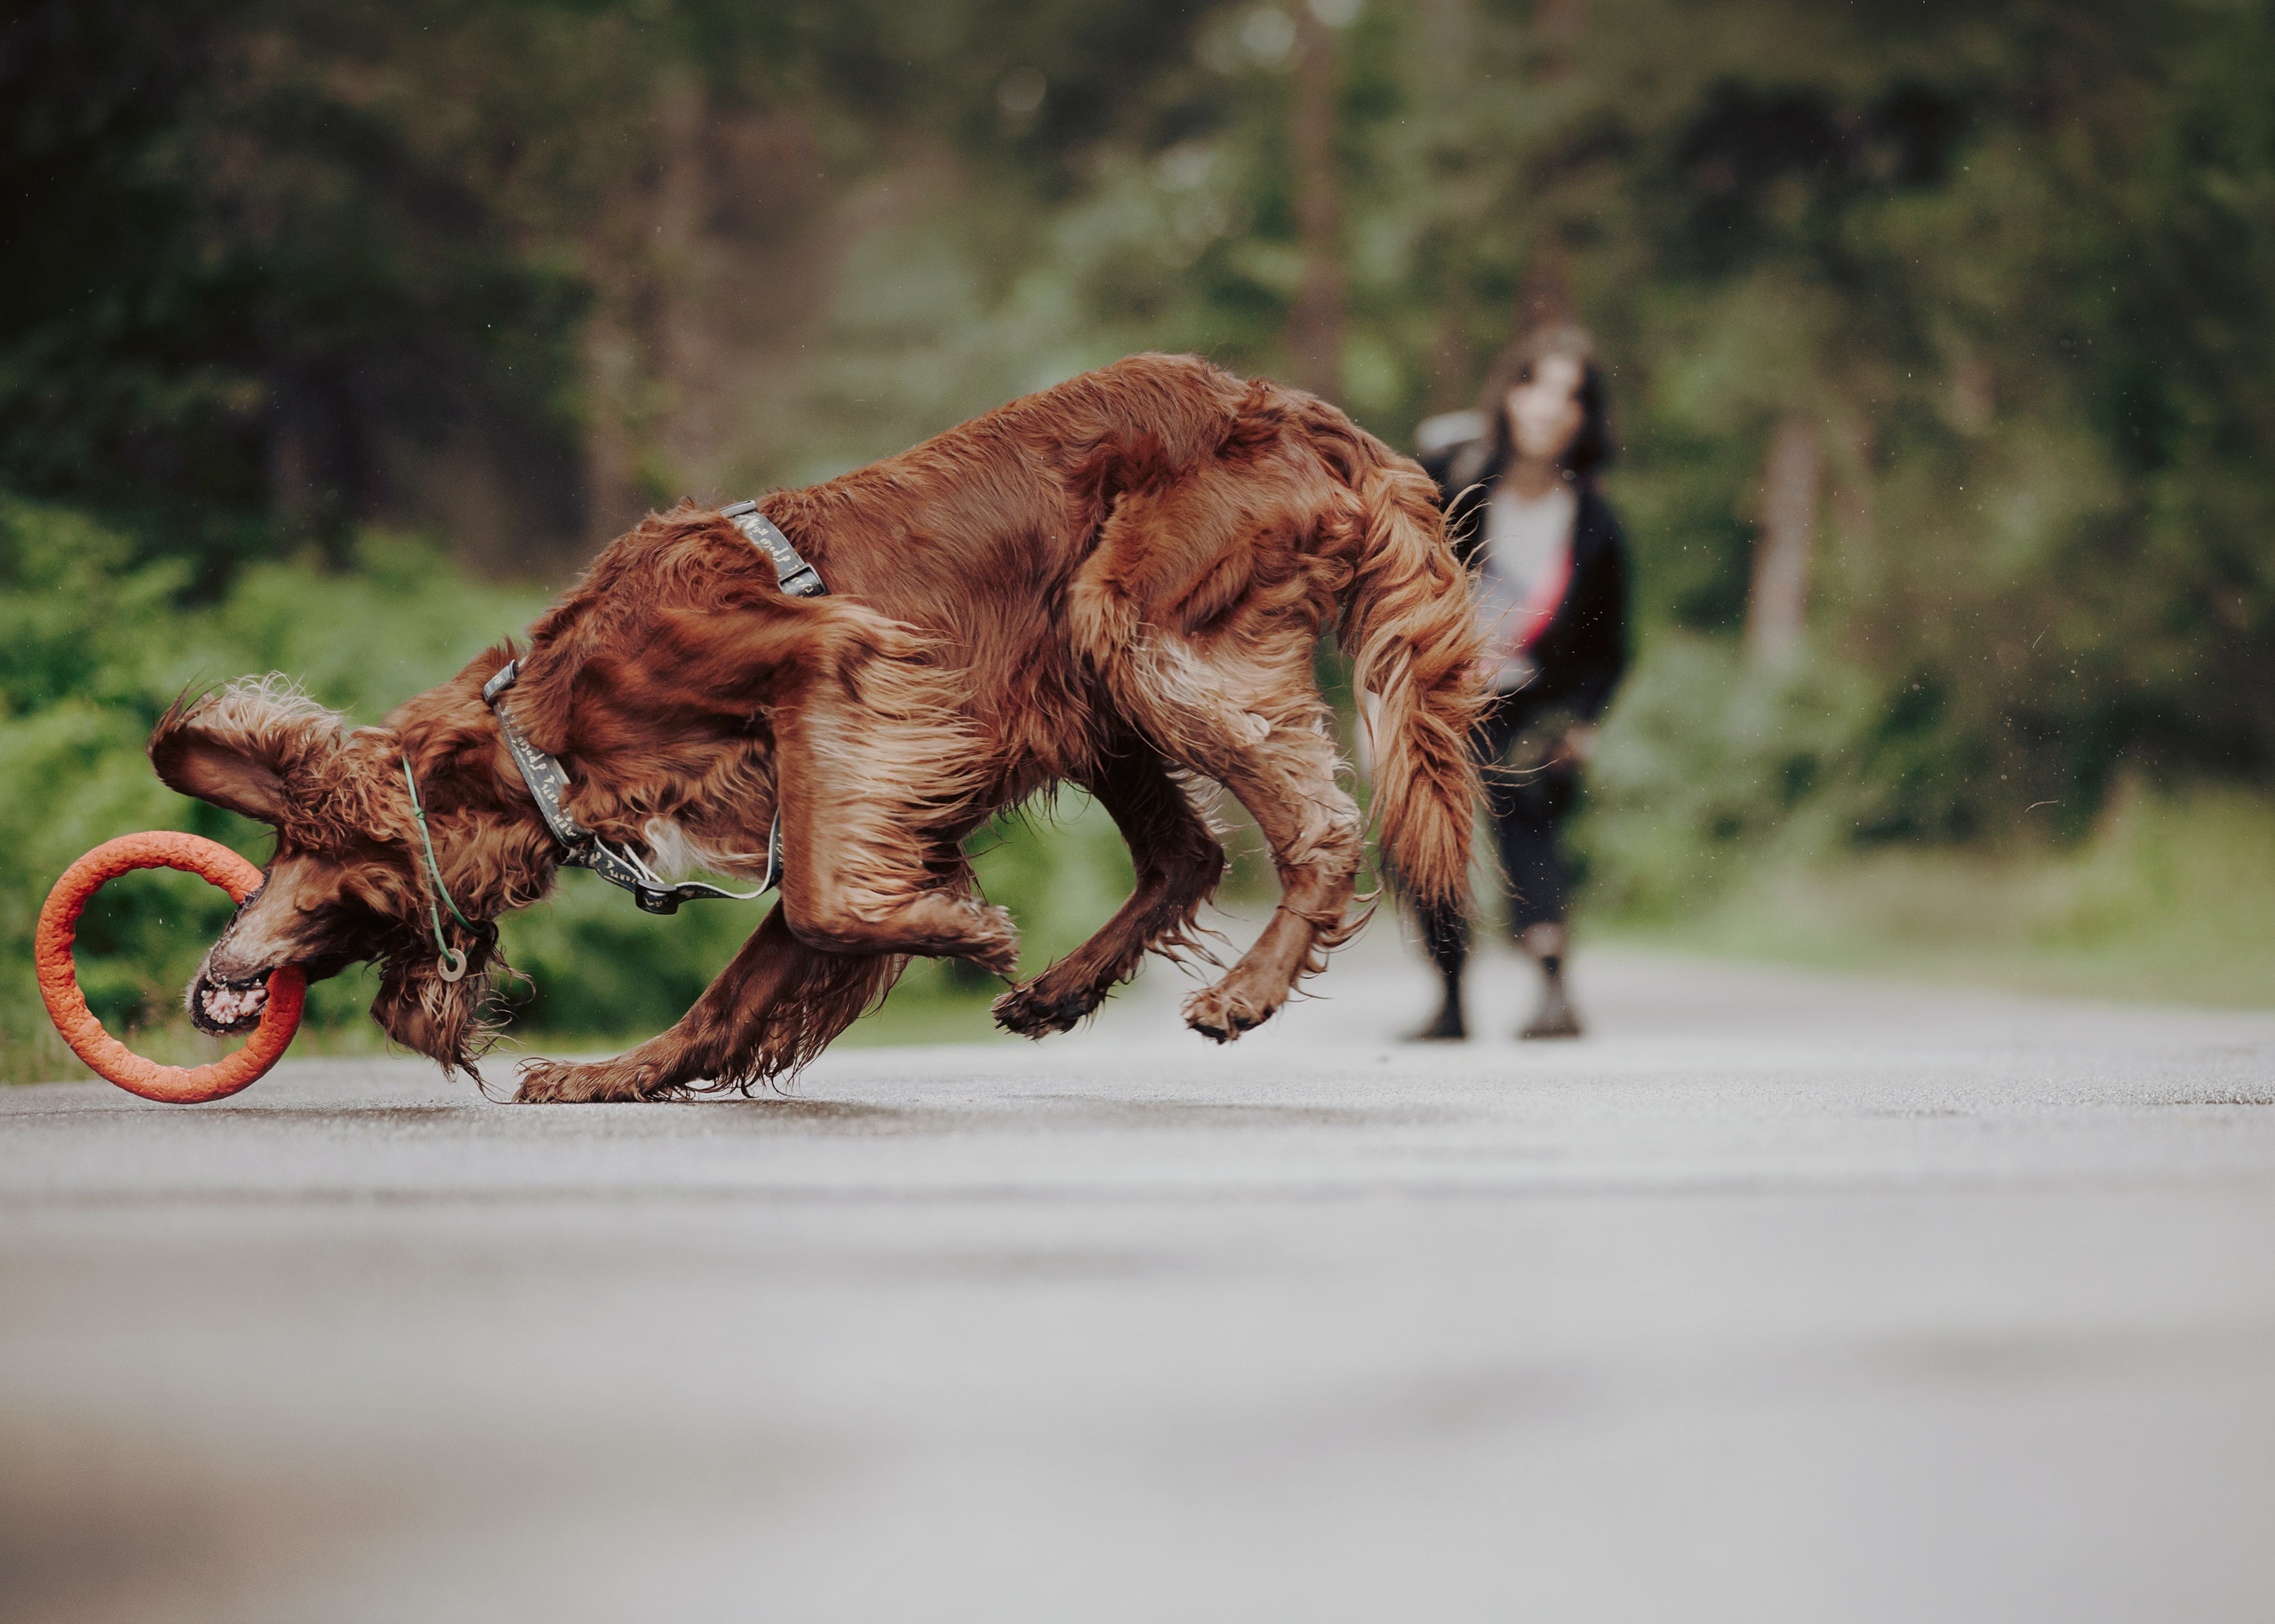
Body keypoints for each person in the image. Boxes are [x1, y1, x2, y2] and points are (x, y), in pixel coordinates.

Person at [1407, 324, 1630, 1040]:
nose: (1547, 408)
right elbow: (1396, 578)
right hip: (1440, 689)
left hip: (1533, 699)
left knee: (1530, 825)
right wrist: (1381, 692)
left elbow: (1611, 645)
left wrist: (1582, 719)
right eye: (1534, 385)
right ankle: (1449, 997)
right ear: (1508, 395)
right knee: (1428, 836)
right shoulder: (1454, 482)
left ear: (1585, 416)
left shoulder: (1596, 525)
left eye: (1570, 396)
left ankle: (1553, 990)